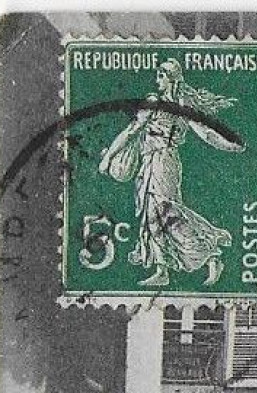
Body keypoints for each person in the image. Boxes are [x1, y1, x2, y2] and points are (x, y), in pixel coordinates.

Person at [98, 59, 242, 288]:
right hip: (153, 162)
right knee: (152, 214)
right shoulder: (167, 105)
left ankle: (209, 255)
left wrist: (228, 145)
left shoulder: (161, 104)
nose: (157, 79)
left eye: (162, 74)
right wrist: (229, 145)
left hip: (161, 162)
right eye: (158, 74)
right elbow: (132, 131)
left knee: (165, 212)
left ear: (171, 79)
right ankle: (163, 268)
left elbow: (132, 132)